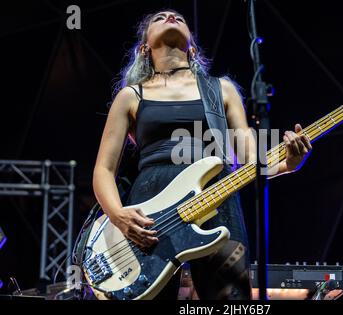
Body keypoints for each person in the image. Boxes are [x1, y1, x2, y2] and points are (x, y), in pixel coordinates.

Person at [92, 9, 312, 300]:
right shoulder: (131, 96)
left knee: (231, 300)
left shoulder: (221, 89)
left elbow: (248, 158)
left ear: (192, 47)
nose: (170, 16)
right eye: (160, 17)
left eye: (178, 16)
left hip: (217, 200)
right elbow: (103, 169)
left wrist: (289, 163)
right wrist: (118, 215)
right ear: (144, 47)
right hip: (151, 210)